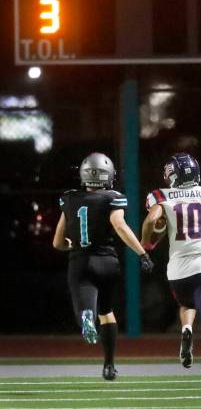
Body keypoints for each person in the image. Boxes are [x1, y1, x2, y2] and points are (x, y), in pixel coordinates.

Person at [52, 152, 154, 380]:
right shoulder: (113, 197)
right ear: (108, 175)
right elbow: (119, 225)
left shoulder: (69, 198)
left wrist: (70, 245)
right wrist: (142, 253)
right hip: (108, 262)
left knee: (85, 308)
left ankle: (86, 316)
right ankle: (109, 365)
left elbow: (57, 242)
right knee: (107, 311)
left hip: (80, 261)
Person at [141, 152, 201, 388]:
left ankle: (186, 328)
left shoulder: (161, 196)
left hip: (176, 271)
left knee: (187, 304)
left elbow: (150, 221)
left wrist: (146, 244)